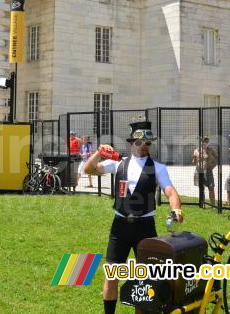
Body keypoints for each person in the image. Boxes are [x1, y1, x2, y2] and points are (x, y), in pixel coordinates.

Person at [84, 121, 183, 314]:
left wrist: (176, 210)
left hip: (145, 229)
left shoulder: (158, 168)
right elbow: (88, 170)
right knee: (111, 276)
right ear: (132, 143)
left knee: (145, 280)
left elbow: (171, 192)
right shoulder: (117, 163)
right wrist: (98, 153)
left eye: (148, 143)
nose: (144, 146)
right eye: (140, 143)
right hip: (119, 228)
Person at [192, 136, 217, 207]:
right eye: (202, 141)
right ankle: (202, 204)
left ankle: (213, 205)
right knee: (201, 188)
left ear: (207, 142)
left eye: (205, 141)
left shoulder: (211, 150)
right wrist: (194, 159)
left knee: (211, 188)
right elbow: (194, 163)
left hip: (208, 171)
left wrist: (213, 165)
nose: (204, 143)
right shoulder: (196, 150)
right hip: (199, 171)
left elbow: (217, 158)